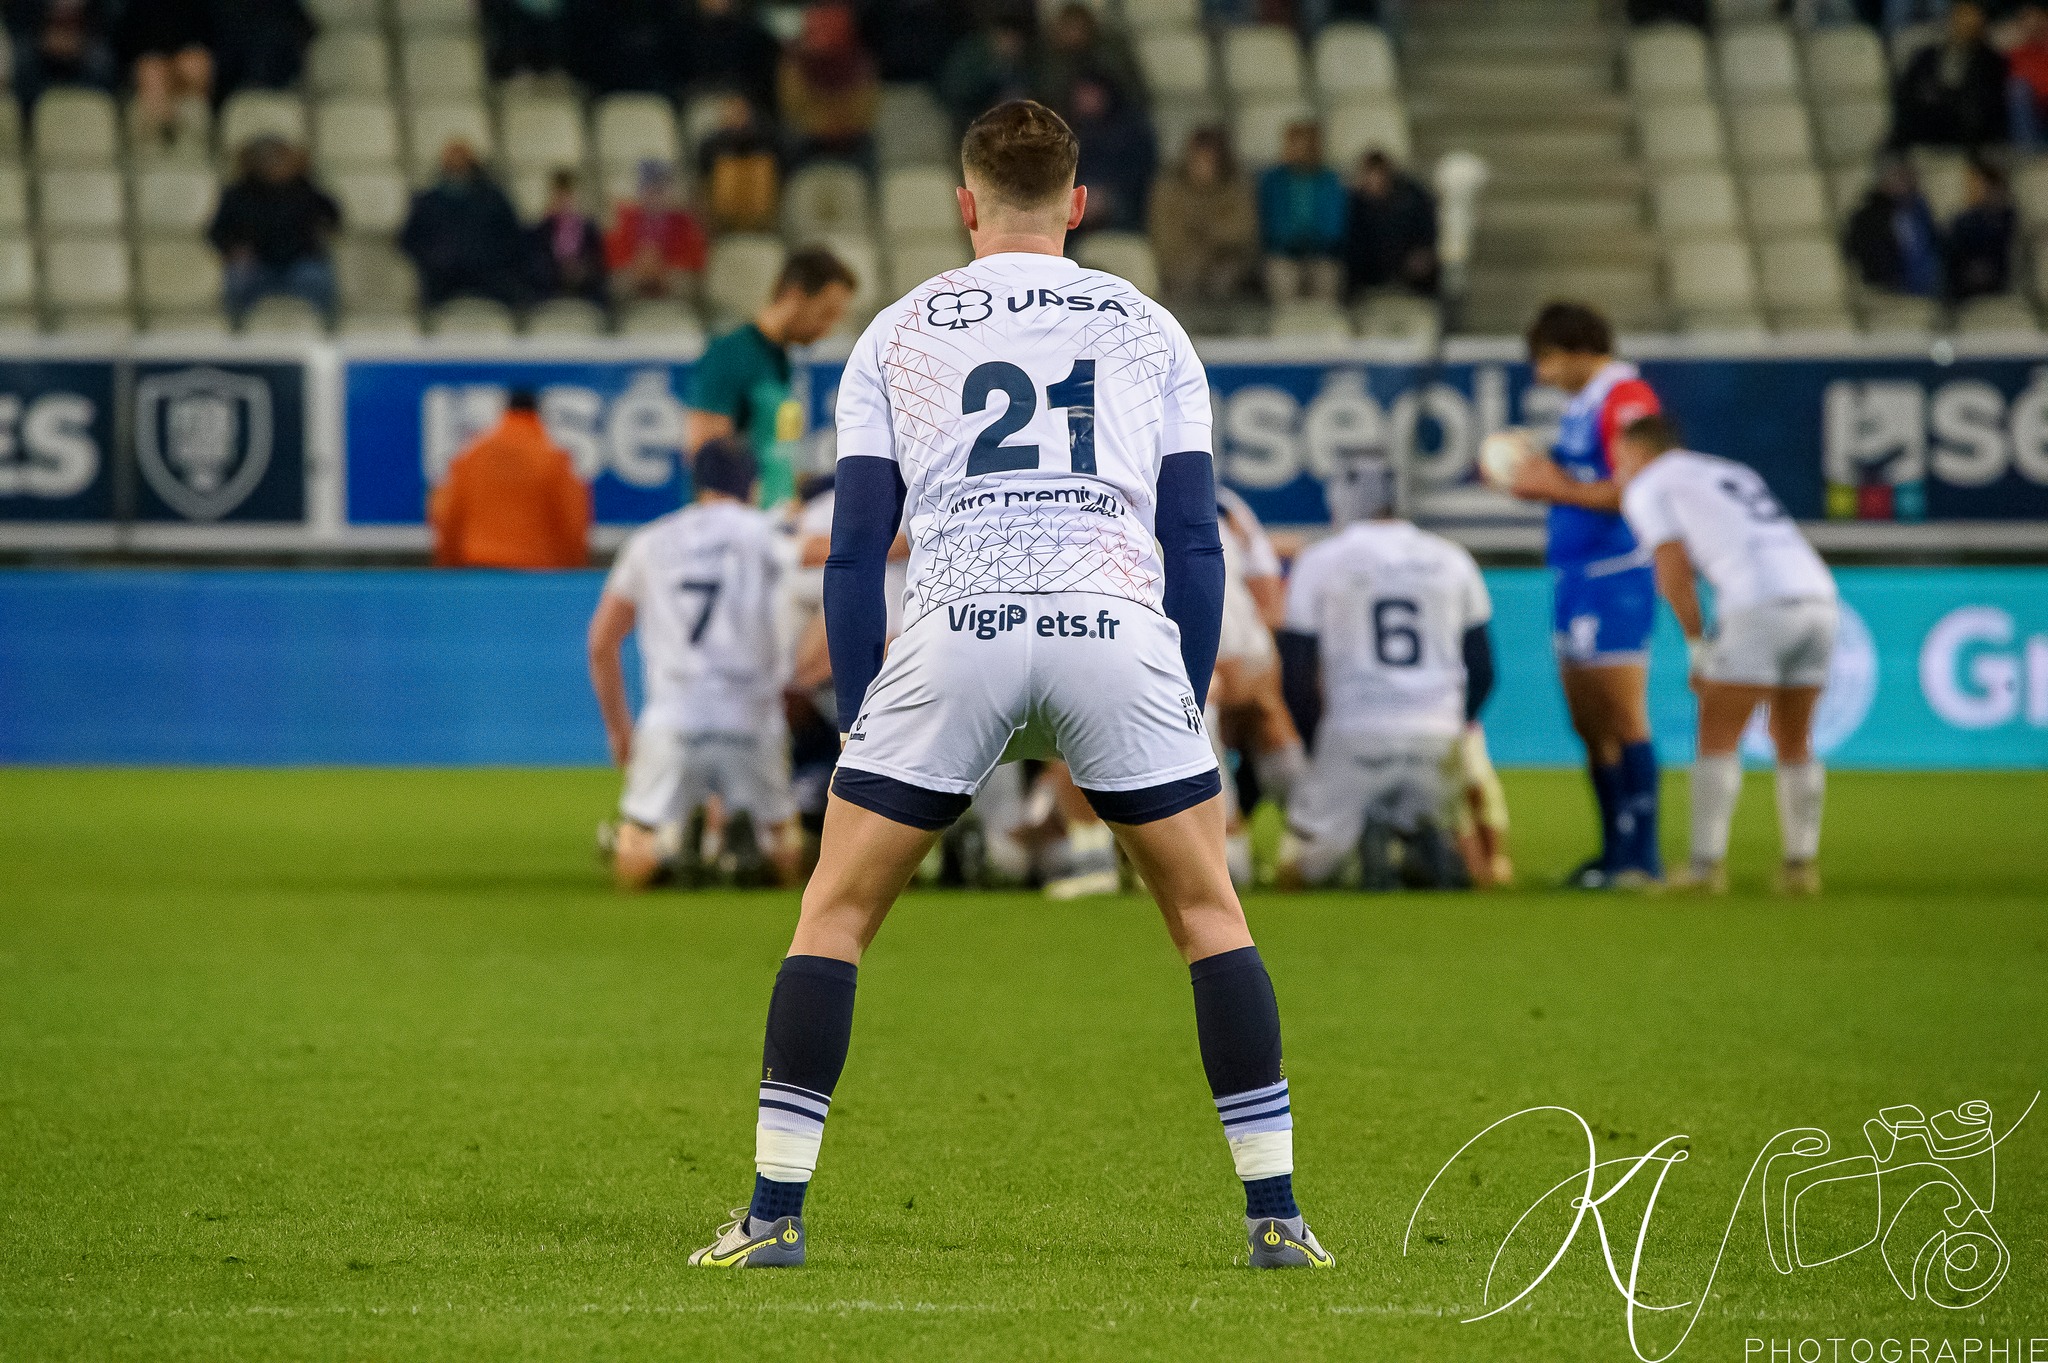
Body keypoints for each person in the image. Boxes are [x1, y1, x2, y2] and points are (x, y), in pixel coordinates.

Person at [686, 99, 1331, 1272]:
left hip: (957, 630)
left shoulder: (893, 331)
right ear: (1077, 204)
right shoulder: (1149, 327)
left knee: (833, 913)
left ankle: (774, 1217)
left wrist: (859, 714)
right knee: (1205, 915)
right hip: (1115, 628)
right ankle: (1274, 1217)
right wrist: (1183, 693)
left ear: (964, 203)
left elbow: (850, 546)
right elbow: (1195, 540)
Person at [1613, 415, 1837, 896]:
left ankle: (1703, 869)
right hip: (1819, 598)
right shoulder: (1732, 471)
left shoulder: (1649, 485)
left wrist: (1697, 644)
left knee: (1717, 733)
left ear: (1637, 449)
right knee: (1794, 738)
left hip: (1758, 602)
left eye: (1621, 455)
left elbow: (1672, 568)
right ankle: (1801, 868)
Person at [1276, 455, 1495, 891]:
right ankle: (1416, 840)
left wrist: (1318, 741)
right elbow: (1485, 670)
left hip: (1355, 732)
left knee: (1296, 873)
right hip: (1436, 737)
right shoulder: (1452, 558)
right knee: (1448, 834)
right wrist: (1452, 721)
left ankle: (1364, 843)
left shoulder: (1322, 560)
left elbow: (1296, 673)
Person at [588, 438, 798, 891]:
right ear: (751, 485)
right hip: (752, 715)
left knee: (635, 837)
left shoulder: (648, 542)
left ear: (696, 485)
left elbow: (601, 642)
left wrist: (621, 732)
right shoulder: (764, 535)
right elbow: (817, 563)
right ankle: (753, 850)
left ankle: (665, 848)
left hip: (675, 715)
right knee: (785, 837)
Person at [1505, 303, 1664, 889]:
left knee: (1623, 714)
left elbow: (1639, 487)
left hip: (1615, 569)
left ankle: (1642, 858)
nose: (1542, 375)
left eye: (1546, 360)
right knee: (1588, 720)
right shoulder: (1585, 407)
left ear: (1575, 350)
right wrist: (1543, 478)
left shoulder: (1625, 397)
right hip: (1576, 572)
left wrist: (1558, 487)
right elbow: (1579, 482)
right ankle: (1613, 850)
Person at [686, 248, 857, 509]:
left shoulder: (780, 362)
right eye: (825, 314)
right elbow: (706, 454)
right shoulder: (731, 354)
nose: (827, 330)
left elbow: (775, 458)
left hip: (776, 524)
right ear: (794, 295)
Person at [429, 390, 590, 570]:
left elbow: (448, 514)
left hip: (477, 568)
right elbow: (573, 523)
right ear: (539, 412)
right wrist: (570, 571)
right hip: (536, 573)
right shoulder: (554, 461)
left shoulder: (472, 456)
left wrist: (449, 566)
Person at [207, 136, 340, 325]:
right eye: (265, 159)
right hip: (257, 266)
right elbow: (216, 232)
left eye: (278, 159)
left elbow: (333, 217)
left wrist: (322, 233)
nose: (272, 165)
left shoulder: (305, 189)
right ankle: (234, 336)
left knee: (319, 278)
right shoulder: (237, 194)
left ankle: (328, 333)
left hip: (299, 263)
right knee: (236, 279)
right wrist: (233, 250)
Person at [400, 140, 531, 312]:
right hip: (442, 279)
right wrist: (435, 260)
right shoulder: (428, 202)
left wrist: (492, 260)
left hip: (489, 276)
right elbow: (411, 240)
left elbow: (511, 237)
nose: (457, 163)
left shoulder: (493, 199)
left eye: (462, 158)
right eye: (452, 158)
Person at [1149, 126, 1261, 322]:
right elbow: (1165, 237)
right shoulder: (1168, 189)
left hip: (1226, 263)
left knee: (1224, 278)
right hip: (1181, 265)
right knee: (1185, 278)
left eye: (1209, 161)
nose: (1203, 167)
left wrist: (1207, 237)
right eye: (1198, 160)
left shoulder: (1236, 188)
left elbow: (1242, 231)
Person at [1891, 0, 2007, 149]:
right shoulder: (1926, 56)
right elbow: (1906, 96)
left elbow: (1982, 108)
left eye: (1972, 17)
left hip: (1964, 139)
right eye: (1961, 16)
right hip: (1921, 135)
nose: (1965, 23)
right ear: (1951, 18)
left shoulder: (1990, 61)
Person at [777, 2, 877, 166]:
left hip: (852, 138)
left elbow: (865, 111)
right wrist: (824, 125)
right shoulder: (794, 62)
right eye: (818, 27)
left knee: (868, 149)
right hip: (809, 138)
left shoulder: (861, 62)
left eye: (831, 26)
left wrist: (838, 126)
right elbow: (793, 109)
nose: (824, 33)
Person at [1258, 121, 1347, 303]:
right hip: (1284, 252)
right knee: (1280, 274)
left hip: (1321, 252)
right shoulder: (1273, 180)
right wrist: (1288, 243)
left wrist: (1315, 243)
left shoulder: (1328, 180)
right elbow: (1271, 221)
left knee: (1327, 275)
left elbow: (1334, 223)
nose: (1298, 150)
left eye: (1303, 145)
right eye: (1294, 144)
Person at [604, 160, 709, 302]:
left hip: (672, 280)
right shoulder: (626, 218)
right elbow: (613, 257)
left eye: (660, 189)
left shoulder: (683, 221)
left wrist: (662, 268)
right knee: (616, 283)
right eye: (650, 189)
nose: (655, 195)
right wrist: (640, 266)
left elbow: (696, 260)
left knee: (687, 284)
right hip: (633, 280)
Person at [1342, 149, 1439, 301]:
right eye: (1369, 175)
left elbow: (1427, 228)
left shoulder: (1412, 197)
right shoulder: (1355, 203)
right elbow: (1352, 240)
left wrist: (1424, 250)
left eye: (1378, 174)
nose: (1374, 181)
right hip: (1369, 264)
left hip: (1406, 260)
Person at [115, 0, 210, 147]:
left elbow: (214, 42)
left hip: (189, 83)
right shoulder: (136, 7)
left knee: (194, 63)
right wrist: (161, 66)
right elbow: (126, 47)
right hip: (145, 75)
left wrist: (177, 66)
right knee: (151, 70)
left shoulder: (203, 8)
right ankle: (160, 139)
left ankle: (194, 144)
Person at [1843, 158, 1942, 297]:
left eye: (1911, 177)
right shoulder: (1868, 218)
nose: (1910, 184)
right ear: (1884, 183)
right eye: (1901, 178)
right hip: (1896, 288)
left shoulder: (1918, 207)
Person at [1069, 77, 1155, 234]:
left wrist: (1106, 196)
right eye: (1081, 94)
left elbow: (1141, 172)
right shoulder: (1074, 128)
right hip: (1083, 199)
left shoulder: (1132, 127)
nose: (1084, 100)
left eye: (1090, 93)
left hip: (1125, 201)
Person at [695, 94, 781, 234]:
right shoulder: (710, 148)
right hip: (721, 224)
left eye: (739, 111)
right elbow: (703, 189)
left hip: (761, 223)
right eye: (730, 111)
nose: (735, 117)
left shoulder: (766, 145)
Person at [9, 0, 116, 109]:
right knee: (22, 61)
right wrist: (43, 38)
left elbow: (106, 18)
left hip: (86, 36)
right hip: (39, 37)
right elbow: (19, 17)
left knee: (102, 62)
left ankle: (89, 117)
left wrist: (79, 39)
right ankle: (29, 119)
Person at [937, 19, 1033, 134]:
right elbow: (959, 90)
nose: (1014, 44)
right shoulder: (972, 55)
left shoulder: (1018, 62)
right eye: (1009, 37)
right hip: (970, 118)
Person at [528, 168, 607, 306]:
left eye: (568, 194)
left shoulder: (589, 231)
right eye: (560, 195)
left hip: (587, 294)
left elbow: (599, 265)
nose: (564, 201)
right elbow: (534, 267)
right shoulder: (540, 231)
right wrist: (559, 272)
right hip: (548, 294)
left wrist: (581, 272)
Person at [684, 0, 780, 114]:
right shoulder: (679, 34)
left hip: (746, 106)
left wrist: (743, 100)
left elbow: (763, 85)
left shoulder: (754, 37)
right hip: (694, 104)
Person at [1945, 159, 2015, 301]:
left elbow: (2013, 260)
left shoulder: (2014, 221)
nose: (1993, 194)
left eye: (1997, 188)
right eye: (1988, 188)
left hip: (2003, 287)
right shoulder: (1963, 223)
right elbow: (1955, 260)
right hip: (1966, 289)